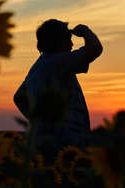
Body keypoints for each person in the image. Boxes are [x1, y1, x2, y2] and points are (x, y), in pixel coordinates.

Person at [14, 19, 102, 158]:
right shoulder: (58, 62)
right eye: (68, 39)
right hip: (66, 147)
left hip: (45, 143)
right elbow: (95, 49)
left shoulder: (38, 67)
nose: (72, 44)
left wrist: (39, 122)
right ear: (58, 41)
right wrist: (85, 31)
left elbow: (19, 97)